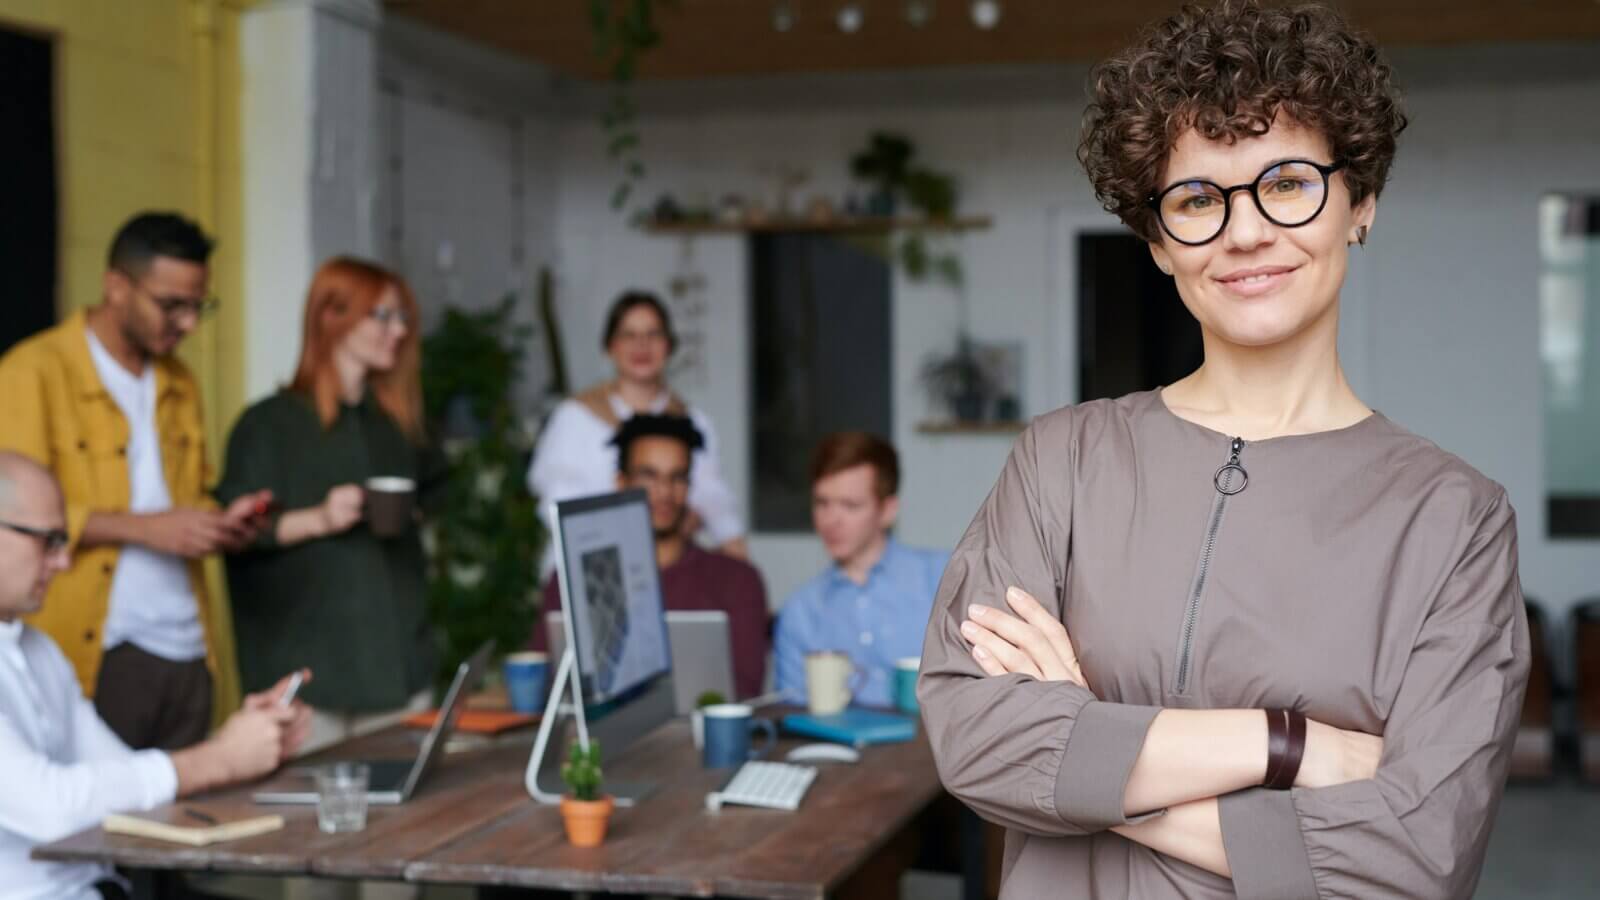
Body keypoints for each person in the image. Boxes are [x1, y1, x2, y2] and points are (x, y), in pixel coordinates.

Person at [918, 4, 1529, 898]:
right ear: (1160, 244)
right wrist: (1290, 747)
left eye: (1286, 183)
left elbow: (1413, 862)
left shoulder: (1454, 520)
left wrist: (1087, 760)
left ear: (1360, 204)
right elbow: (976, 738)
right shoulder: (1063, 463)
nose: (1244, 233)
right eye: (1199, 199)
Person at [0, 212, 271, 752]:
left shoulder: (180, 382)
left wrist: (218, 525)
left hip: (190, 648)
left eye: (199, 306)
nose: (189, 323)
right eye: (173, 305)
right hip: (100, 651)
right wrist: (150, 530)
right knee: (103, 824)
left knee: (190, 820)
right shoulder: (32, 372)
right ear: (116, 287)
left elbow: (184, 498)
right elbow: (16, 518)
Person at [0, 451, 310, 900]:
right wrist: (220, 758)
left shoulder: (38, 650)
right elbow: (49, 807)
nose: (64, 561)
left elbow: (120, 773)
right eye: (48, 540)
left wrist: (246, 742)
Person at [217, 258, 445, 753]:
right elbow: (232, 531)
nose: (399, 330)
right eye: (382, 316)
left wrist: (408, 513)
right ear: (331, 316)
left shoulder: (397, 425)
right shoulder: (268, 424)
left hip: (398, 666)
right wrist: (320, 518)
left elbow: (436, 493)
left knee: (410, 821)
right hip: (309, 680)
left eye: (402, 317)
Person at [532, 414, 769, 699]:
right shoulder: (570, 581)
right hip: (600, 739)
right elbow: (540, 687)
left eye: (677, 477)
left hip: (697, 739)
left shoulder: (737, 580)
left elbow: (745, 693)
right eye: (649, 476)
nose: (665, 492)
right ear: (621, 482)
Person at [528, 291, 746, 562]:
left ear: (669, 345)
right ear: (610, 347)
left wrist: (730, 540)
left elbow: (712, 496)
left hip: (667, 566)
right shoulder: (574, 417)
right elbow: (556, 501)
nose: (641, 345)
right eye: (628, 335)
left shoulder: (691, 422)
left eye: (653, 334)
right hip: (586, 562)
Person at [775, 432, 948, 708]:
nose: (831, 520)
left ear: (888, 511)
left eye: (850, 505)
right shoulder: (801, 610)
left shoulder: (942, 578)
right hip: (837, 750)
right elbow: (792, 715)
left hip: (936, 748)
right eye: (822, 503)